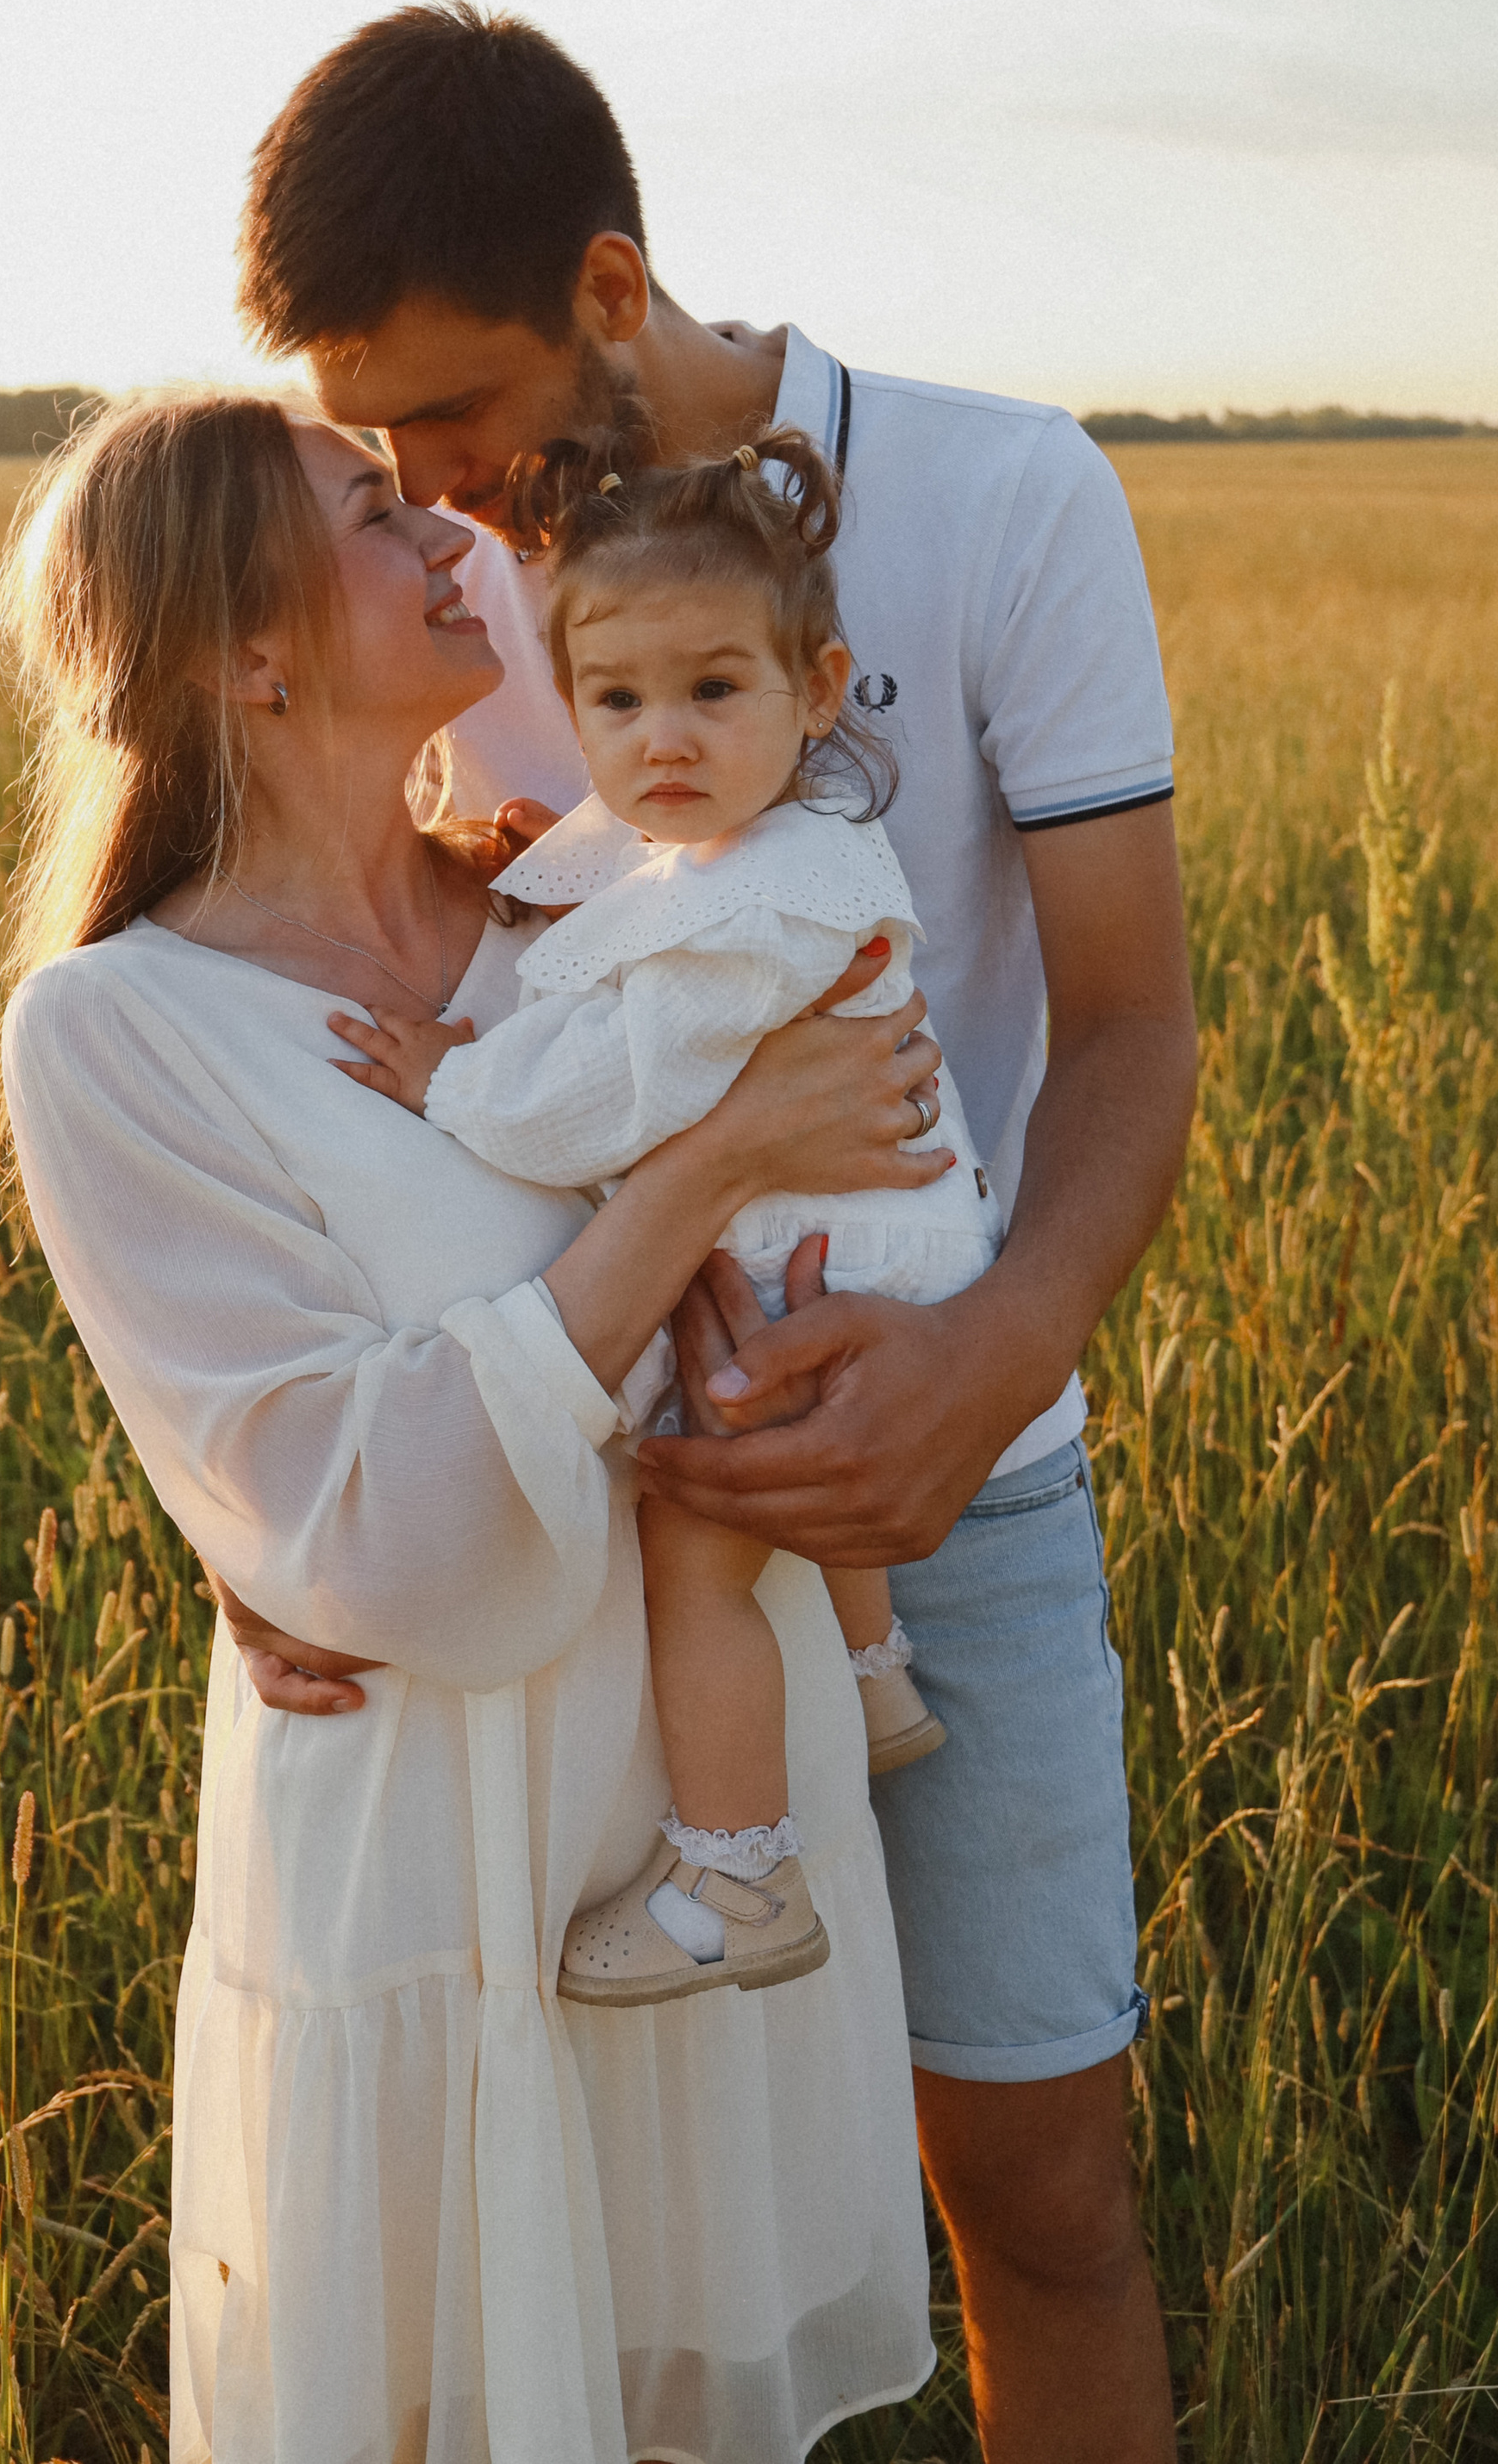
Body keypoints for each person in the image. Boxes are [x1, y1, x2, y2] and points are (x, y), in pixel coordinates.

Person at [228, 3, 1199, 2464]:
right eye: (374, 445)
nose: (422, 483)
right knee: (629, 2251)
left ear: (611, 278)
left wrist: (979, 1366)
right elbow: (327, 1056)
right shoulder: (445, 616)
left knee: (1036, 2187)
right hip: (589, 1509)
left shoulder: (1010, 498)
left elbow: (1128, 1033)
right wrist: (290, 1512)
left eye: (449, 413)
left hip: (955, 1480)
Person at [0, 389, 951, 2464]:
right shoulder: (118, 1031)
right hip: (446, 1871)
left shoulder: (588, 916)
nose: (446, 535)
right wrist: (696, 1177)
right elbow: (378, 1535)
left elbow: (860, 1209)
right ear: (244, 653)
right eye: (367, 515)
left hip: (698, 1859)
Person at [339, 424, 1001, 2011]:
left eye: (715, 692)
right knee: (768, 1452)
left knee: (696, 1557)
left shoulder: (757, 906)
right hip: (870, 1233)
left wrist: (456, 1082)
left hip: (825, 1258)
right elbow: (617, 862)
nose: (664, 742)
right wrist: (526, 875)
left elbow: (613, 1093)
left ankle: (736, 1876)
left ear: (818, 691)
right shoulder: (773, 837)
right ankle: (870, 1671)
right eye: (616, 703)